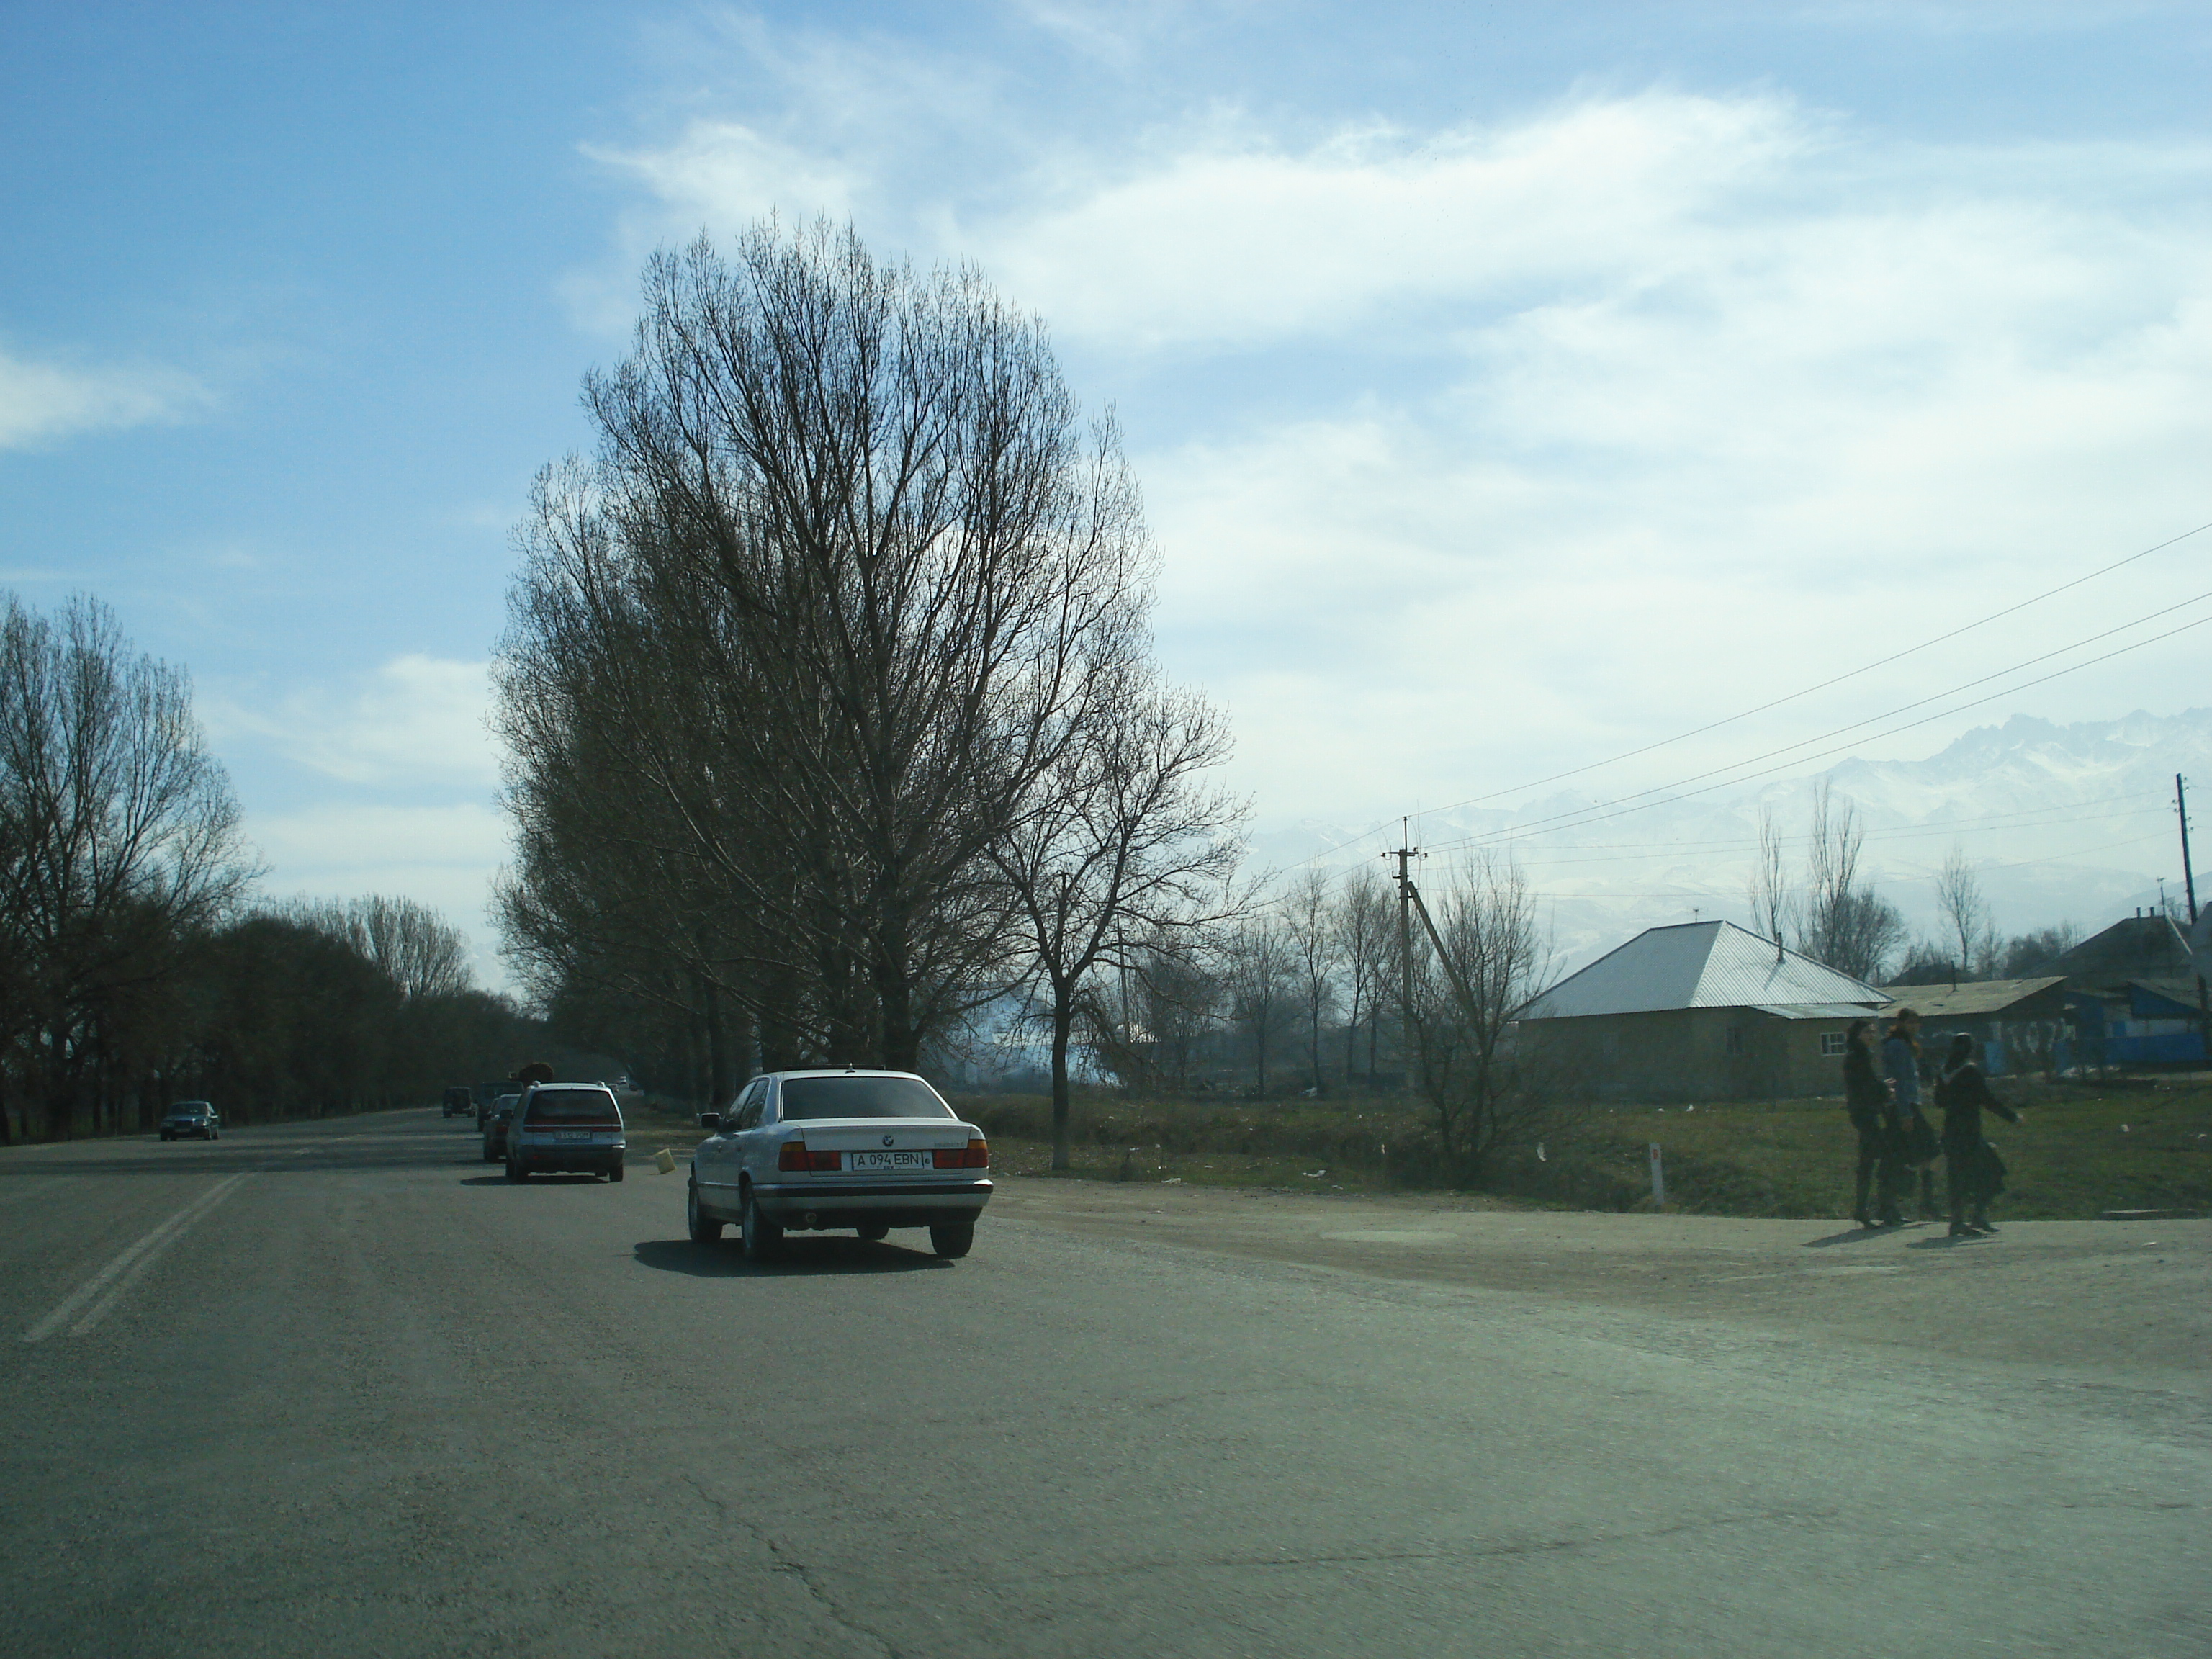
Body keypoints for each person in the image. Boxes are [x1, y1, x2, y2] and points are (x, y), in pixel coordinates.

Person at [1935, 1033, 2021, 1238]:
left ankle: (1958, 1221)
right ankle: (1977, 1215)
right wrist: (2013, 1117)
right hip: (1970, 1132)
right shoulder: (1970, 1071)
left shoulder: (1944, 1072)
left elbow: (1939, 1102)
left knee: (1957, 1178)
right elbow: (1987, 1100)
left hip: (1951, 1132)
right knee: (1994, 1172)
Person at [1840, 1018, 1902, 1227]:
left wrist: (1882, 1088)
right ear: (1857, 1035)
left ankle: (1865, 1208)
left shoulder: (1859, 1056)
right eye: (1867, 1032)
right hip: (1864, 1112)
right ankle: (1884, 1207)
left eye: (1873, 1032)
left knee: (1868, 1160)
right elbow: (1865, 1085)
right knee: (1886, 1158)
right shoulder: (1858, 1056)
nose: (1871, 1036)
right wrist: (1885, 1091)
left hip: (1864, 1112)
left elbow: (1869, 1083)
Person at [1882, 1009, 1938, 1221]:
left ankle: (1904, 1204)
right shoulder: (1897, 1045)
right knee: (1928, 1149)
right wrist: (1905, 1111)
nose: (1914, 1026)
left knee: (1907, 1155)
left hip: (1907, 1104)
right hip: (1902, 1106)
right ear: (1901, 1023)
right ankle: (1921, 1202)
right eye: (1910, 1022)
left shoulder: (1905, 1044)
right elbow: (1900, 1080)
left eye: (1917, 1022)